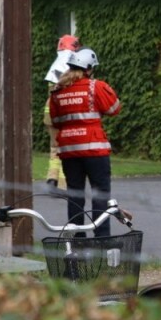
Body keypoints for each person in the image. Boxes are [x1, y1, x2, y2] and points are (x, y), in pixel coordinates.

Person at [48, 47, 121, 238]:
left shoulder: (57, 91)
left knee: (75, 195)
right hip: (95, 150)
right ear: (88, 68)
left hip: (69, 151)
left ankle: (77, 240)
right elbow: (114, 108)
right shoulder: (95, 87)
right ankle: (102, 239)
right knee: (100, 195)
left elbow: (56, 121)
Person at [43, 34, 80, 191]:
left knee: (54, 147)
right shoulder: (73, 65)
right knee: (67, 148)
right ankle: (65, 184)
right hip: (64, 112)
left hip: (50, 112)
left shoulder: (56, 64)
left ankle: (52, 178)